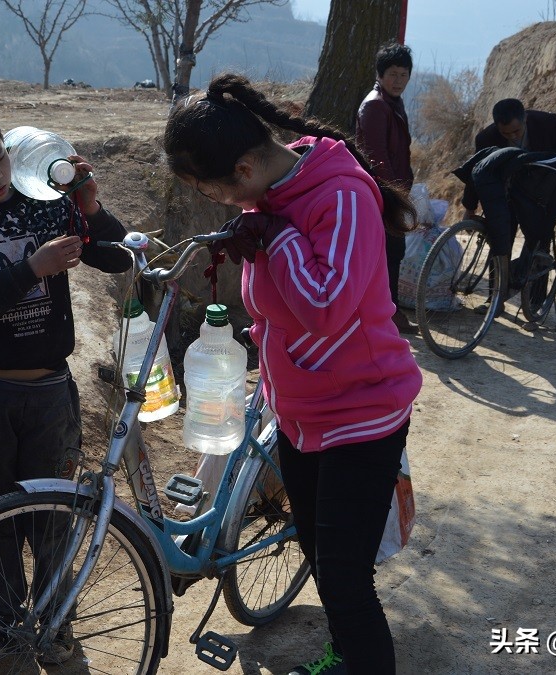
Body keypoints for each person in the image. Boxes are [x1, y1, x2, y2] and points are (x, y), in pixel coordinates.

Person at [164, 73, 423, 675]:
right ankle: (347, 654)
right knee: (319, 554)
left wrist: (274, 238)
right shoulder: (272, 197)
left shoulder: (339, 196)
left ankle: (363, 661)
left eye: (220, 192)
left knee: (345, 578)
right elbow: (277, 304)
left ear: (249, 166)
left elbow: (328, 308)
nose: (224, 204)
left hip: (362, 410)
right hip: (301, 410)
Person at [0, 97, 131, 662]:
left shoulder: (45, 205)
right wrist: (33, 268)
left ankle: (56, 628)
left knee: (54, 517)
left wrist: (90, 206)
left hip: (50, 396)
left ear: (9, 150)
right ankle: (5, 633)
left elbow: (116, 257)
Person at [457, 98, 556, 313]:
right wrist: (469, 208)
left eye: (517, 131)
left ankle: (535, 302)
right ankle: (495, 300)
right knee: (499, 235)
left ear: (525, 119)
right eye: (507, 134)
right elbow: (477, 175)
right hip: (508, 188)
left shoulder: (547, 124)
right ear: (498, 127)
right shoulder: (487, 138)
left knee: (540, 237)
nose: (513, 137)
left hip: (543, 185)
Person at [355, 41, 418, 335]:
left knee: (392, 253)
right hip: (381, 193)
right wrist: (397, 197)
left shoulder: (393, 103)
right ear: (380, 74)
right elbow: (377, 157)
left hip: (391, 192)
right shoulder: (375, 106)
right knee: (390, 253)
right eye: (393, 74)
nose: (399, 81)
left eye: (404, 75)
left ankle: (383, 312)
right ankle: (388, 315)